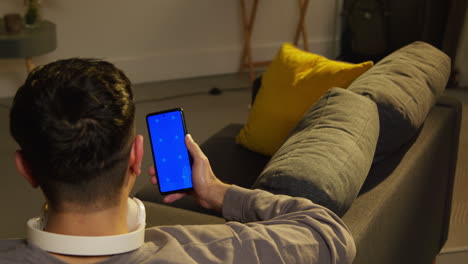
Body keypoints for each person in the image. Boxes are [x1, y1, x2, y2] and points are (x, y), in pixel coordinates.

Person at [1, 58, 356, 263]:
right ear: (136, 157)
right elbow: (327, 233)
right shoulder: (211, 251)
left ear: (25, 168)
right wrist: (217, 192)